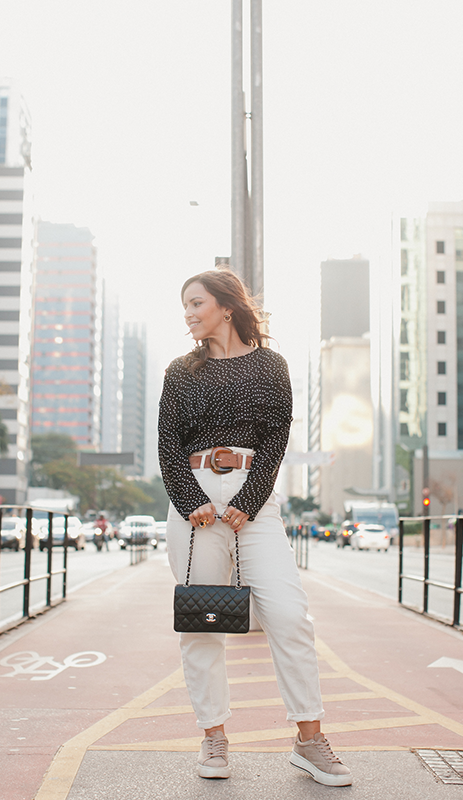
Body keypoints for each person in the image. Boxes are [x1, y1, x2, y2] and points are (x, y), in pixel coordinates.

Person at [158, 268, 352, 786]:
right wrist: (190, 499)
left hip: (254, 504)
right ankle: (214, 736)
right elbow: (168, 445)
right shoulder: (181, 371)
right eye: (185, 307)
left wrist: (247, 500)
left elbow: (274, 443)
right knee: (202, 625)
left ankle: (309, 740)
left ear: (226, 305)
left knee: (290, 615)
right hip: (194, 504)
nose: (189, 314)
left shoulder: (271, 366)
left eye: (196, 303)